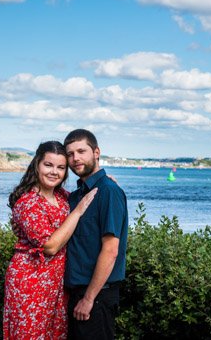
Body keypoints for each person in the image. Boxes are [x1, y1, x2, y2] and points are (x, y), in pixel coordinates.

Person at [3, 141, 97, 340]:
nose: (54, 172)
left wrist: (104, 184)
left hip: (56, 282)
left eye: (61, 167)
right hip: (31, 279)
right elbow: (50, 247)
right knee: (30, 334)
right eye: (48, 165)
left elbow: (86, 197)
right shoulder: (27, 202)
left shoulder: (62, 196)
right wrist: (78, 211)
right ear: (37, 164)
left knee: (54, 334)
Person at [63, 129, 128, 340]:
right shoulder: (76, 196)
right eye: (70, 154)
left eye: (81, 151)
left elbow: (110, 251)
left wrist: (89, 298)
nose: (75, 158)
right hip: (76, 294)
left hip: (95, 296)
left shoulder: (108, 191)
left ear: (96, 152)